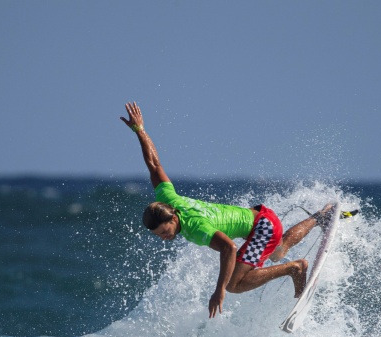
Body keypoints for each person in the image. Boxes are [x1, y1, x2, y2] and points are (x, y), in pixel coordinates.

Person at [121, 102, 331, 319]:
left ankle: (294, 268)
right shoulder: (167, 199)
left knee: (233, 284)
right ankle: (320, 217)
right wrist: (140, 130)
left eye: (165, 231)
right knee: (278, 251)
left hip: (262, 228)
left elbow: (229, 248)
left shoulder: (196, 227)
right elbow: (154, 164)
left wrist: (219, 290)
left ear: (173, 218)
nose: (164, 237)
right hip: (262, 220)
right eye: (159, 235)